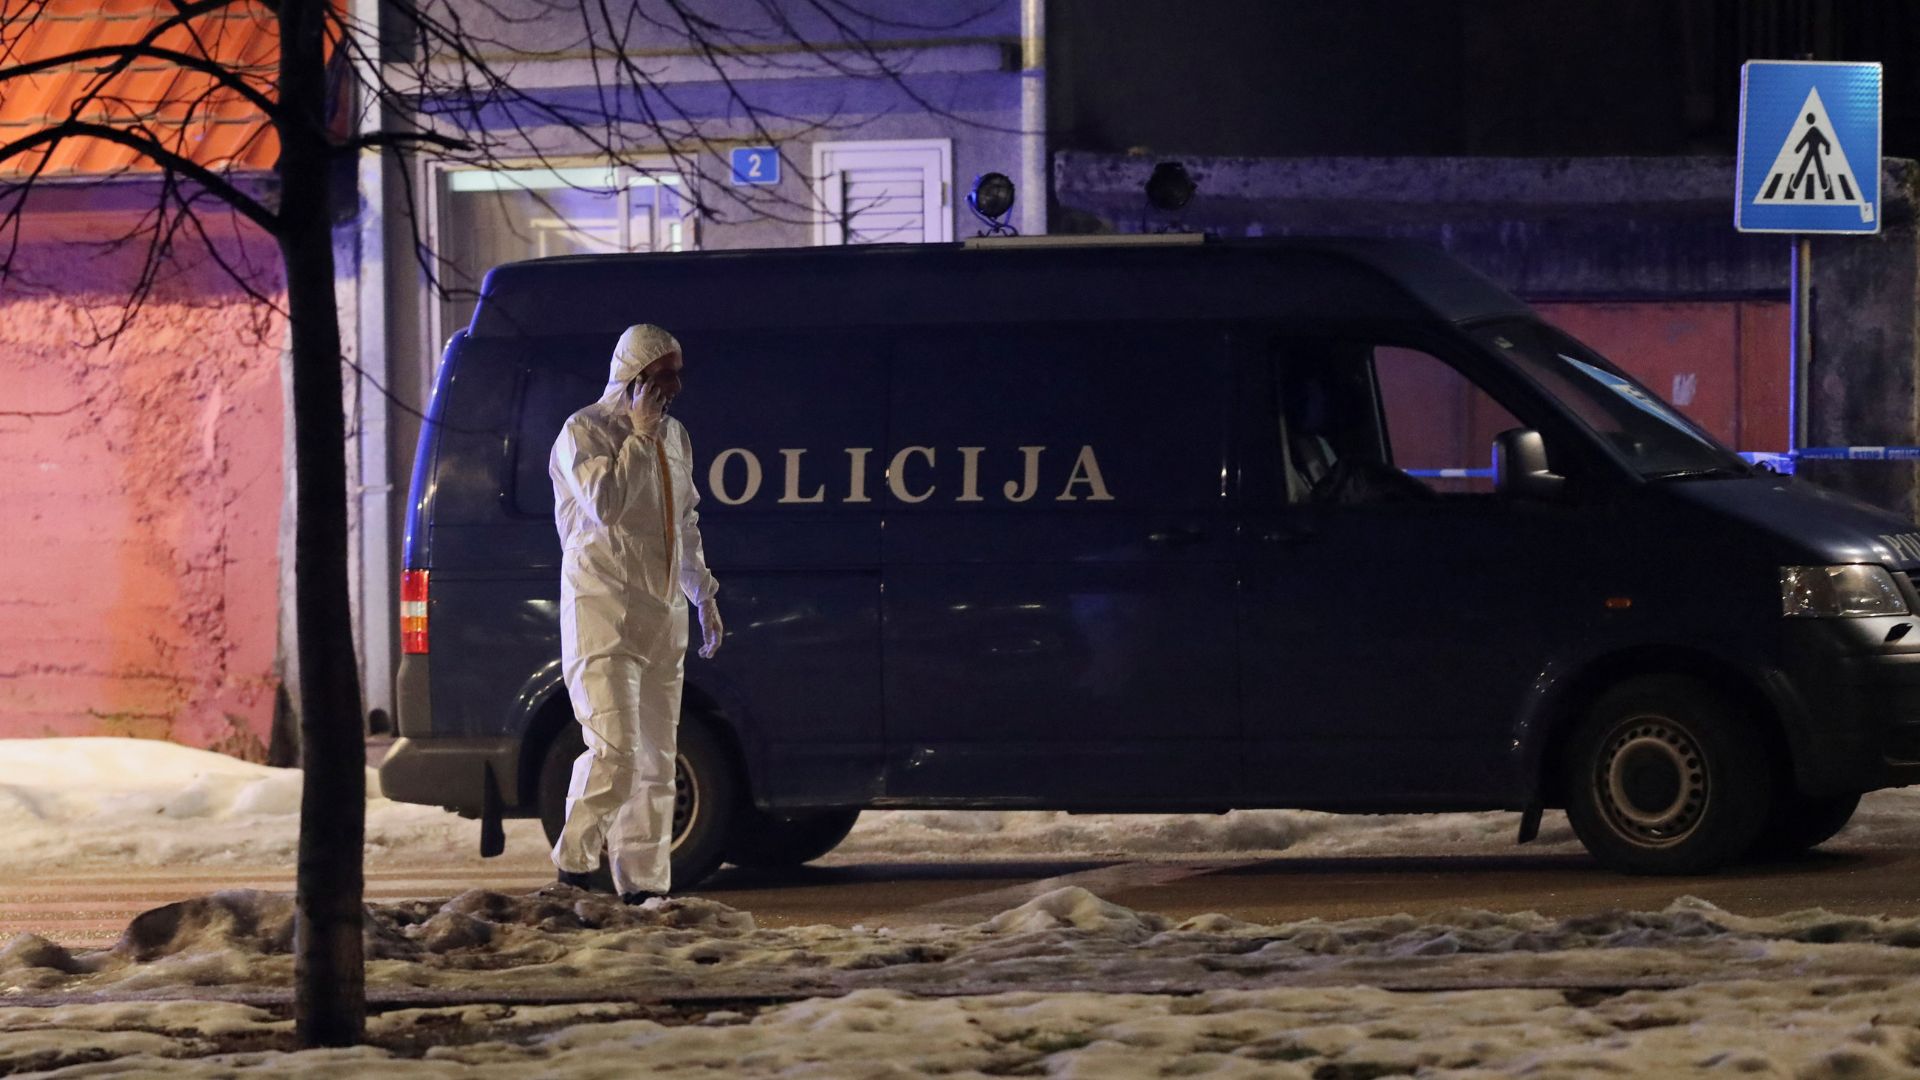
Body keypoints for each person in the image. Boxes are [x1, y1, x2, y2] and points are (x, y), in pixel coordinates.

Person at [548, 323, 723, 904]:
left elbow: (685, 520)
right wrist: (639, 439)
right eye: (665, 372)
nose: (676, 384)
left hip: (662, 613)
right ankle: (572, 869)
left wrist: (703, 594)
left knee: (656, 762)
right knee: (614, 751)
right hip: (604, 610)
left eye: (677, 371)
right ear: (635, 375)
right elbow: (606, 507)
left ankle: (644, 890)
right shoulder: (584, 432)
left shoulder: (676, 437)